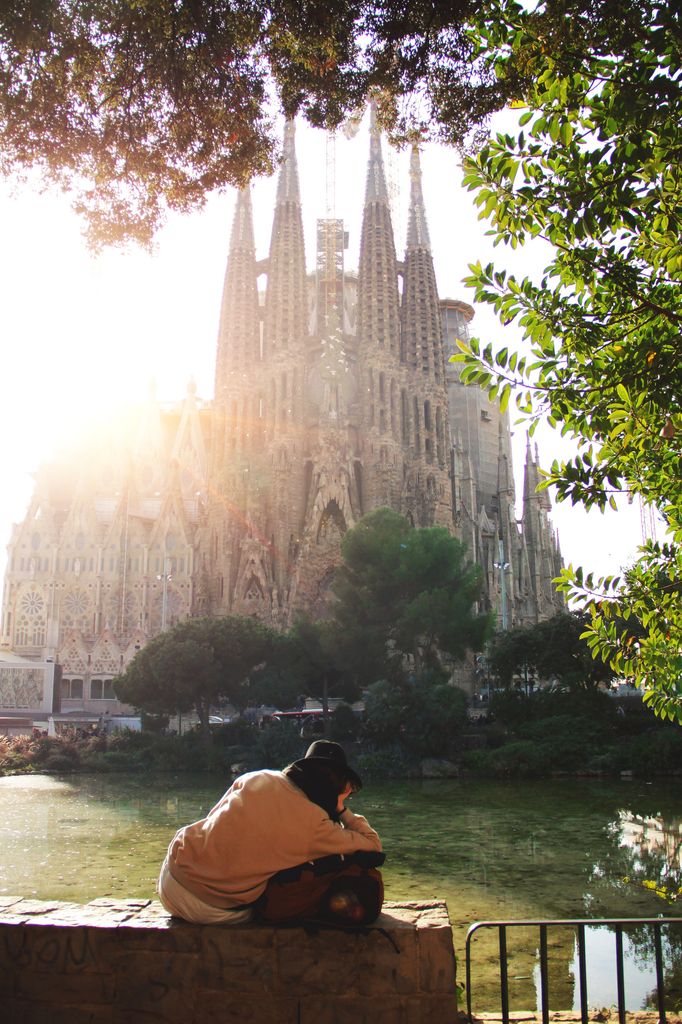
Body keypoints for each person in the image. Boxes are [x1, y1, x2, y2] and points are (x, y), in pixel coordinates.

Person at [157, 740, 383, 926]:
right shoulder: (317, 826)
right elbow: (373, 844)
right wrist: (342, 809)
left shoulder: (258, 777)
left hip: (171, 875)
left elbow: (215, 820)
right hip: (211, 908)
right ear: (338, 787)